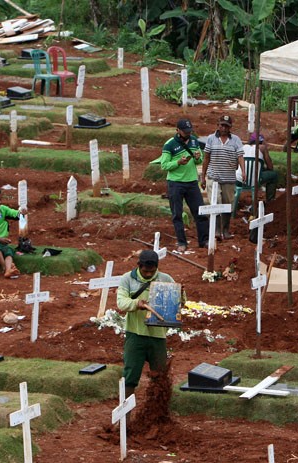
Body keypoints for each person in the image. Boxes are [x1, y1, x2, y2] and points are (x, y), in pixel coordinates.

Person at [116, 250, 177, 392]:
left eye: (152, 271)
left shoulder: (166, 279)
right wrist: (137, 304)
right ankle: (126, 413)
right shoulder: (127, 279)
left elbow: (179, 303)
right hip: (135, 335)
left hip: (157, 337)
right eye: (145, 272)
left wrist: (180, 294)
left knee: (160, 376)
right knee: (130, 375)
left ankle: (158, 409)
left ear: (157, 267)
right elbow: (121, 302)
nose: (149, 274)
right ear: (139, 266)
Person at [159, 118, 209, 252]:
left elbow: (199, 160)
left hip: (192, 182)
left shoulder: (194, 141)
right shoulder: (169, 145)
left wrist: (198, 157)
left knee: (200, 212)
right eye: (185, 131)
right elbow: (164, 165)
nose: (188, 133)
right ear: (178, 131)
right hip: (175, 183)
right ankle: (182, 242)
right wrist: (177, 163)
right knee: (177, 214)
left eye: (189, 131)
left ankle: (203, 240)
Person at [202, 115, 245, 240]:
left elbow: (240, 156)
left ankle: (225, 230)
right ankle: (216, 230)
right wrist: (203, 176)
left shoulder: (236, 140)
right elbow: (206, 158)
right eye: (222, 125)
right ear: (218, 125)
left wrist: (243, 171)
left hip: (229, 178)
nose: (224, 128)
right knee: (216, 203)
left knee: (227, 205)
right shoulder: (211, 139)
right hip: (213, 177)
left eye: (226, 126)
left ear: (230, 127)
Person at [236, 132, 278, 202]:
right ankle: (270, 201)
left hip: (239, 179)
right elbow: (270, 167)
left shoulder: (242, 147)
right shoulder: (262, 148)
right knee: (274, 175)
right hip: (255, 181)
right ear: (261, 141)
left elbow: (236, 165)